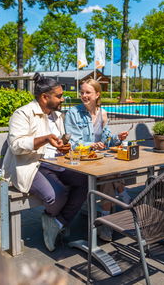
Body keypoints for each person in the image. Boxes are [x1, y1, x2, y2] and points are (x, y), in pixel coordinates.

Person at [2, 73, 88, 252]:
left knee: (83, 181)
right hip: (30, 164)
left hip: (55, 163)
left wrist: (64, 147)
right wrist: (45, 139)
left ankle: (56, 222)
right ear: (44, 97)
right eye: (59, 96)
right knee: (56, 196)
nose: (62, 99)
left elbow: (58, 143)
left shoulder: (56, 116)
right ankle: (55, 220)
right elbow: (16, 146)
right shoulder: (23, 113)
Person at [64, 79, 130, 241]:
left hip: (98, 159)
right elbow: (73, 142)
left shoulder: (103, 113)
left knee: (109, 173)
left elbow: (107, 140)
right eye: (82, 92)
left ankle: (106, 219)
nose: (84, 95)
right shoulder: (73, 113)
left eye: (88, 92)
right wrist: (92, 145)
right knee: (109, 174)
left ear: (97, 94)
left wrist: (117, 138)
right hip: (81, 161)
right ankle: (125, 198)